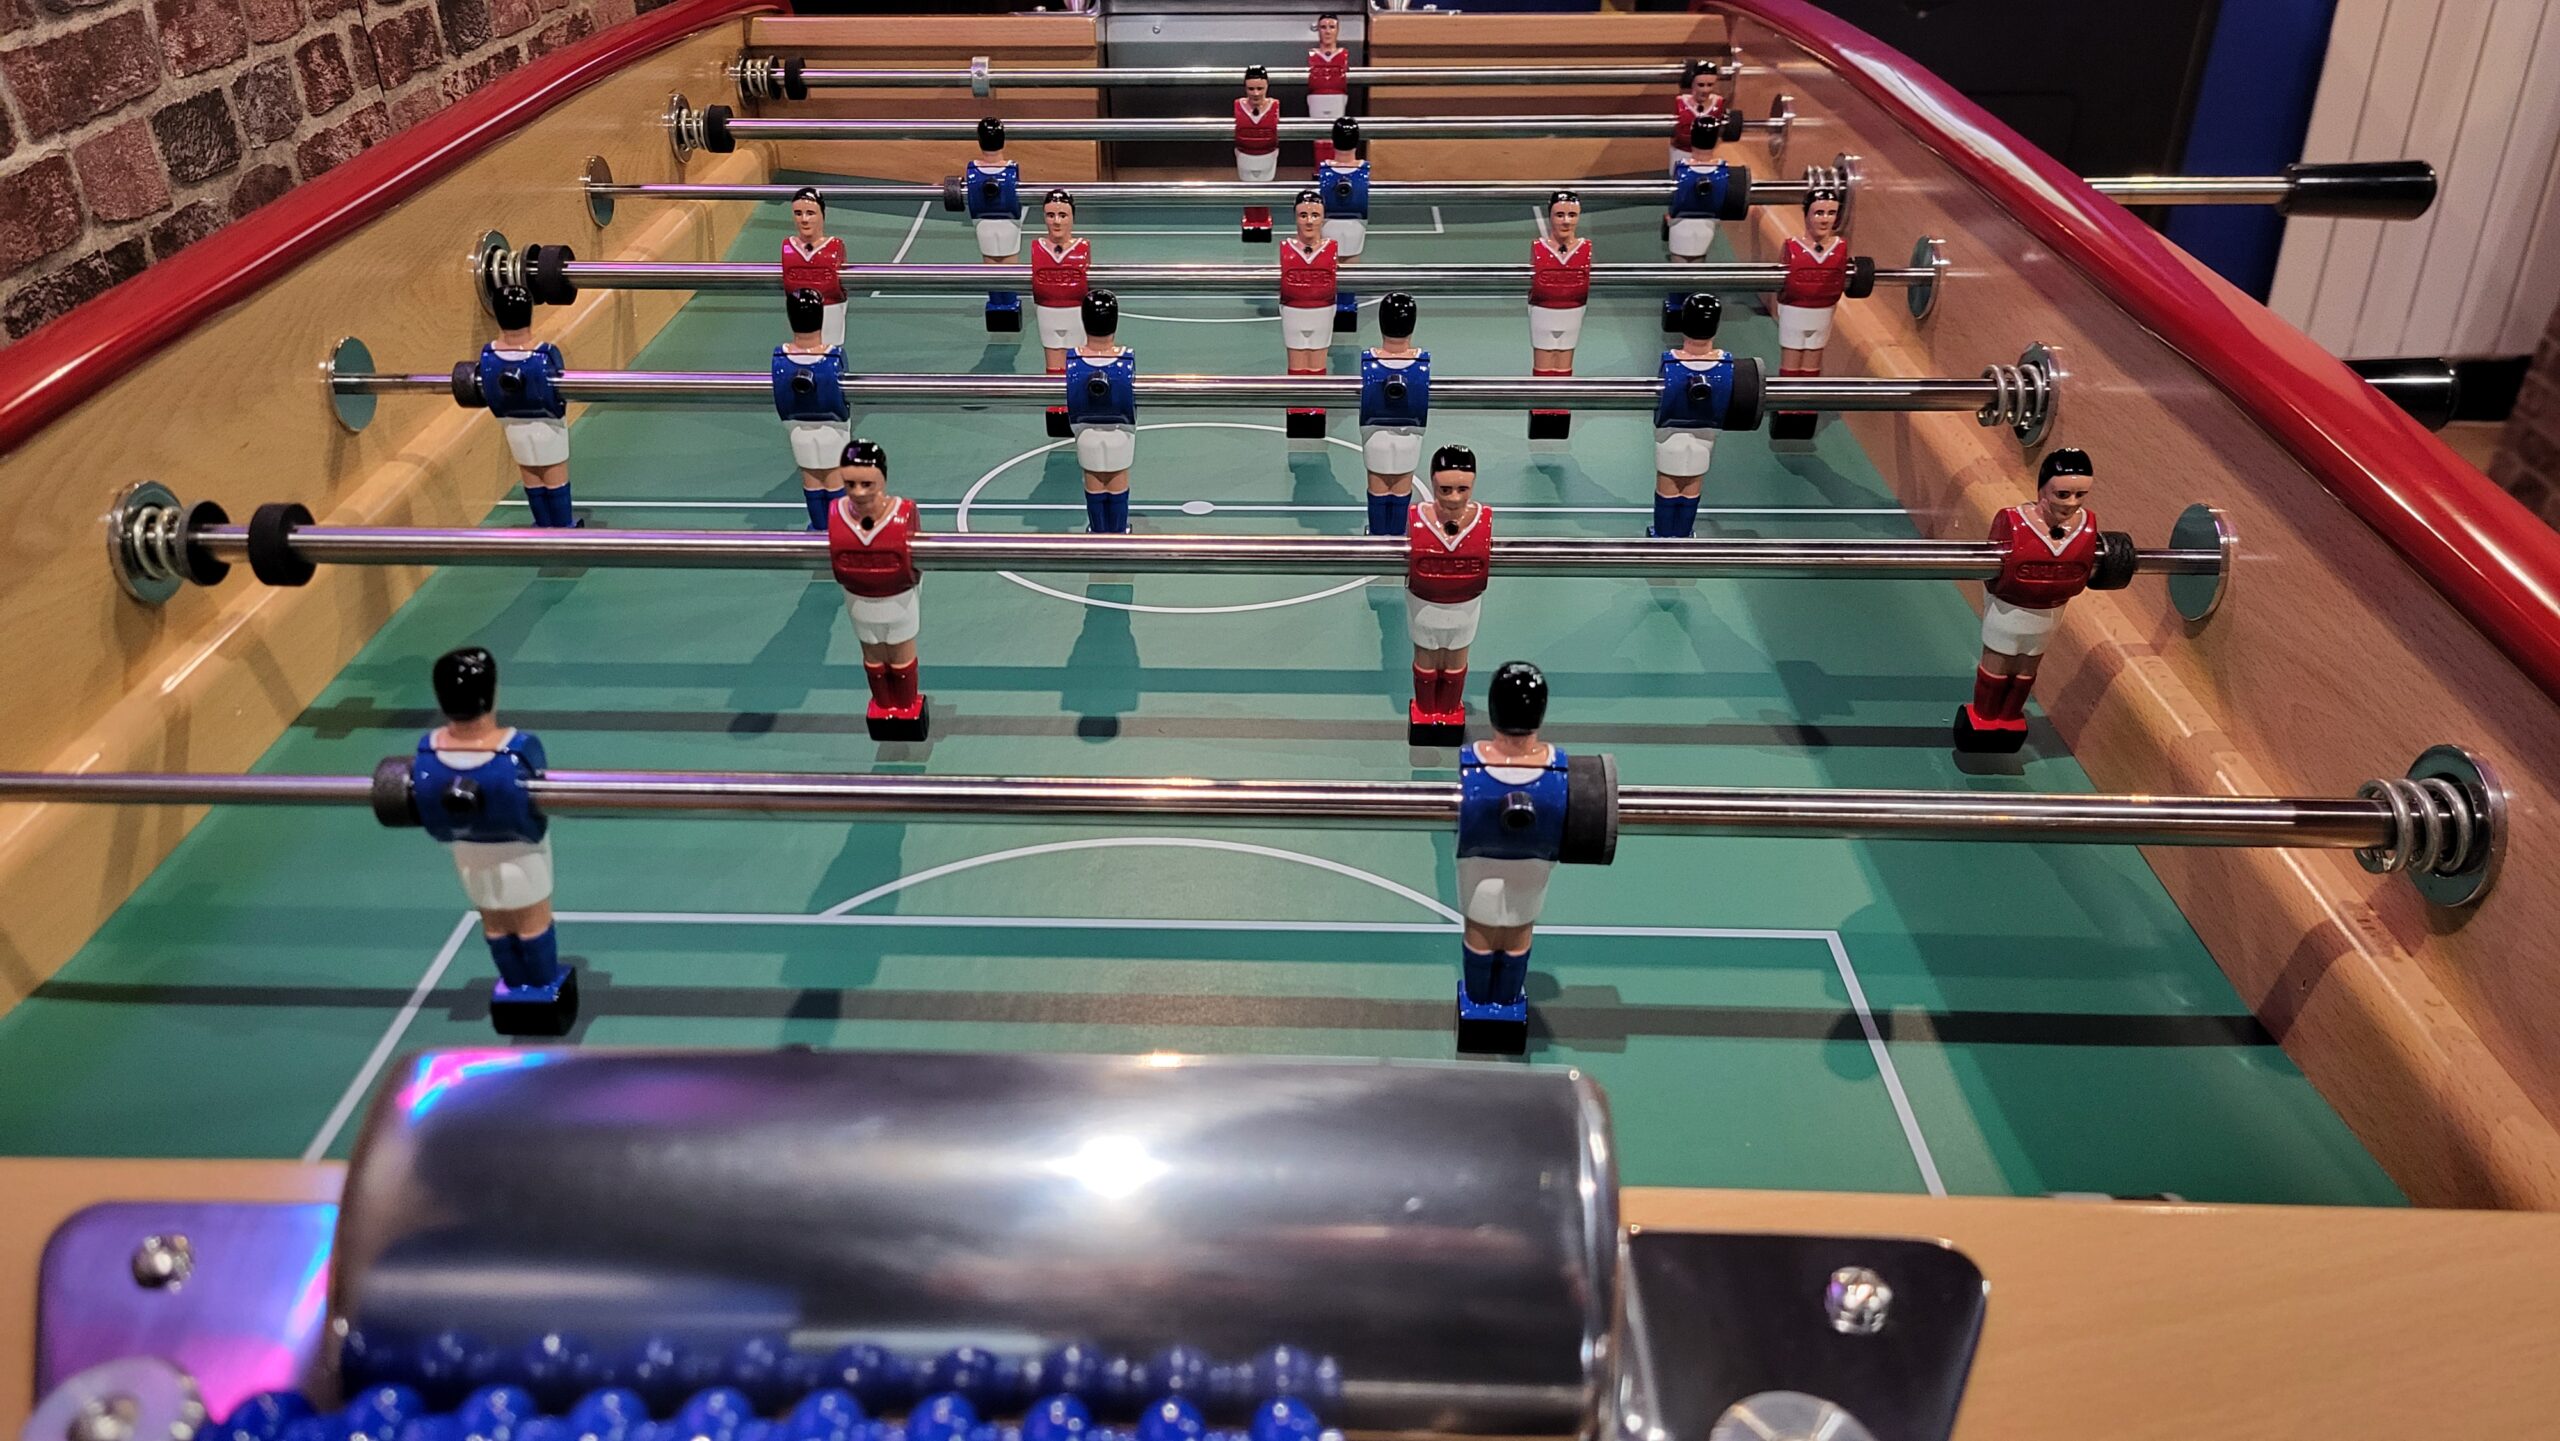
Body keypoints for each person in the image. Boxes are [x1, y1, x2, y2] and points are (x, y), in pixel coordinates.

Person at [415, 646, 569, 1031]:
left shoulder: (427, 755)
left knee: (495, 921)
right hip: (521, 854)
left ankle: (514, 985)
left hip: (468, 855)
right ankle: (541, 985)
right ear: (492, 694)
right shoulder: (517, 751)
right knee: (531, 920)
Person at [1453, 660, 1567, 1050]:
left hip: (1479, 869)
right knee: (1518, 932)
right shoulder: (1558, 769)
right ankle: (1506, 999)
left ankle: (1479, 1000)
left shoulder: (1472, 766)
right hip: (1533, 871)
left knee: (1481, 931)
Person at [1958, 449, 2099, 750]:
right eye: (2063, 494)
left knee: (2026, 670)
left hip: (2049, 615)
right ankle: (1984, 717)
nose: (2072, 503)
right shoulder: (2012, 522)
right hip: (2008, 612)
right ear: (2042, 490)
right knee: (1998, 663)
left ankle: (2010, 718)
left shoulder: (2086, 526)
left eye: (2080, 495)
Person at [827, 438, 928, 738]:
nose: (858, 493)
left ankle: (906, 705)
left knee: (899, 654)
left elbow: (918, 565)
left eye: (866, 484)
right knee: (872, 656)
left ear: (882, 479)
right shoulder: (837, 515)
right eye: (850, 484)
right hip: (859, 602)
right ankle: (884, 704)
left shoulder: (903, 514)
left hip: (898, 602)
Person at [1405, 445, 1490, 740]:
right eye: (1445, 489)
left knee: (1455, 661)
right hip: (1424, 606)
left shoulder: (1484, 519)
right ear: (1432, 483)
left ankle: (1450, 710)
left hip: (1465, 609)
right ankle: (1426, 710)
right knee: (1426, 659)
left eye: (1462, 489)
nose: (1454, 498)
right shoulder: (1417, 518)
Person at [479, 285, 573, 527]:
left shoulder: (488, 357)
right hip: (549, 425)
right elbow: (561, 391)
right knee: (554, 477)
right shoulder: (545, 354)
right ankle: (563, 527)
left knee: (531, 477)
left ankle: (542, 525)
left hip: (513, 426)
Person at [1650, 293, 1735, 539]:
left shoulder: (1670, 363)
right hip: (1705, 436)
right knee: (1691, 486)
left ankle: (1663, 537)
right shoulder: (1726, 365)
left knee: (1668, 485)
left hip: (1670, 436)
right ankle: (1684, 535)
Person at [1771, 186, 1849, 441]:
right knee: (1791, 364)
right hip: (1795, 311)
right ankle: (1787, 409)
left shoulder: (1840, 247)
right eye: (1819, 213)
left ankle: (1805, 410)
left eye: (1831, 213)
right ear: (1806, 214)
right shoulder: (1792, 247)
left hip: (1822, 313)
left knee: (1812, 365)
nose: (1825, 219)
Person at [773, 288, 850, 531]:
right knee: (833, 477)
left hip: (798, 430)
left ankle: (819, 526)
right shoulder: (833, 357)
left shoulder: (780, 358)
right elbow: (843, 401)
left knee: (812, 479)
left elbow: (782, 402)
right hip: (833, 429)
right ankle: (838, 528)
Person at [1065, 290, 1135, 533]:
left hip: (1086, 433)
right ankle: (1118, 532)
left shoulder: (1073, 361)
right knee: (1117, 479)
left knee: (1093, 479)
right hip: (1120, 433)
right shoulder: (1126, 360)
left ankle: (1097, 532)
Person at [1360, 292, 1428, 535]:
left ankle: (1378, 536)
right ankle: (1397, 534)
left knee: (1378, 486)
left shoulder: (1369, 362)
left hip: (1374, 434)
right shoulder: (1422, 363)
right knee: (1401, 486)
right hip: (1410, 434)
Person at [1527, 191, 1589, 440]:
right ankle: (1542, 410)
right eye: (1560, 214)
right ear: (1550, 216)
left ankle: (1560, 409)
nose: (1566, 221)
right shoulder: (1539, 248)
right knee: (1544, 361)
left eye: (1572, 215)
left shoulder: (1585, 248)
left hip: (1573, 310)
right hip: (1543, 310)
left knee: (1564, 361)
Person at [1278, 190, 1340, 438]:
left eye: (1315, 215)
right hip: (1293, 310)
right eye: (1303, 215)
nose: (1309, 221)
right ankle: (1297, 408)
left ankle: (1315, 407)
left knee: (1317, 363)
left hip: (1322, 310)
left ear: (1324, 218)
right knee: (1296, 364)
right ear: (1295, 217)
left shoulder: (1331, 248)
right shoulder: (1285, 248)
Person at [1030, 188, 1091, 437]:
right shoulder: (1037, 247)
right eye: (1051, 215)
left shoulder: (1082, 247)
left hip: (1075, 312)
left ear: (1072, 217)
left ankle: (1076, 407)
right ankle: (1057, 409)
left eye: (1062, 215)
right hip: (1048, 312)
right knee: (1053, 366)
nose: (1056, 221)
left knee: (1075, 362)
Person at [966, 117, 1024, 331]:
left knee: (991, 264)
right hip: (1008, 222)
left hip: (984, 223)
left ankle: (998, 305)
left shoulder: (972, 170)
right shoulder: (1011, 170)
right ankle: (1009, 305)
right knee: (1007, 264)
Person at [1317, 117, 1368, 331]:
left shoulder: (1323, 171)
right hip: (1354, 226)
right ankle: (1346, 307)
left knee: (1333, 269)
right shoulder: (1365, 171)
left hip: (1332, 225)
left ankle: (1337, 307)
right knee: (1349, 270)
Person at [780, 186, 847, 348]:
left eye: (810, 213)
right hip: (799, 317)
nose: (804, 219)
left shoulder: (834, 247)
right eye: (798, 213)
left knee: (829, 351)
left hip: (831, 310)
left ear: (822, 215)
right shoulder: (788, 247)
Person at [1235, 65, 1282, 242]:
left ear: (1267, 86)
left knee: (1263, 191)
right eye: (1251, 88)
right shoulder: (1238, 105)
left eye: (1260, 88)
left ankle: (1263, 221)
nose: (1255, 93)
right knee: (1249, 192)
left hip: (1267, 155)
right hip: (1244, 155)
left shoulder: (1275, 105)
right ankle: (1250, 221)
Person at [1306, 12, 1351, 137]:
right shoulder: (1312, 55)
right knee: (1319, 137)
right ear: (1318, 30)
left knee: (1336, 137)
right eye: (1323, 27)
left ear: (1337, 30)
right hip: (1316, 99)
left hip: (1338, 100)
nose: (1327, 31)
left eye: (1331, 27)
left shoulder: (1344, 54)